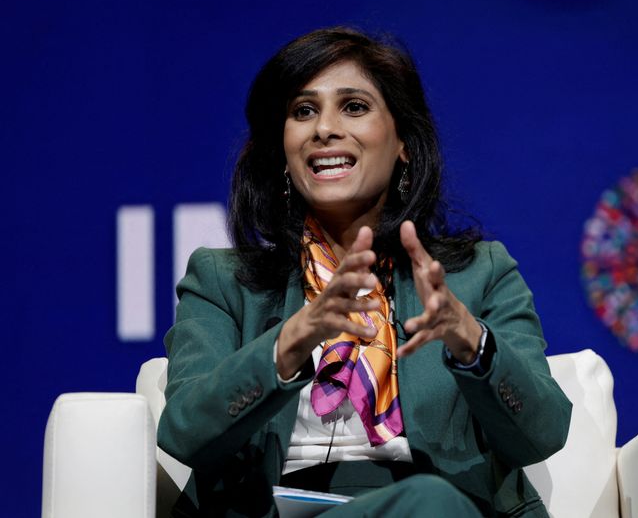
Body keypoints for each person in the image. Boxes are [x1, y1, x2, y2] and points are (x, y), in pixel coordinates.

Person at [157, 27, 572, 517]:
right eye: (302, 111)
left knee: (431, 503)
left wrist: (472, 344)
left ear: (404, 144)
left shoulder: (479, 274)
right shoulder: (224, 281)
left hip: (436, 509)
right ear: (281, 150)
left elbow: (541, 435)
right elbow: (184, 434)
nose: (324, 129)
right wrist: (291, 342)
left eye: (353, 106)